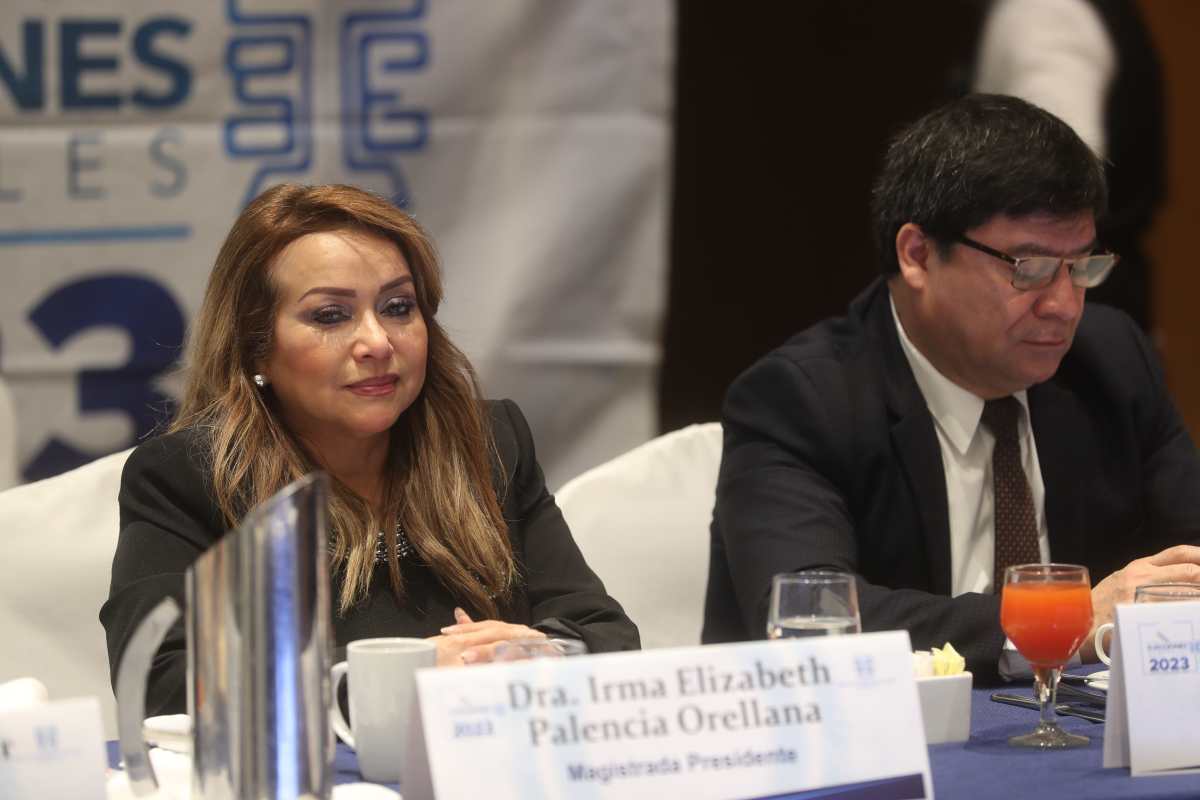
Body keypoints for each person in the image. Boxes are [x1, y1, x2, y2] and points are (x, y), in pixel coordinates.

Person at [702, 94, 1200, 682]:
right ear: (917, 255)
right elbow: (811, 620)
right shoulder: (800, 400)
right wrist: (1064, 618)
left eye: (1082, 266)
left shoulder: (1111, 361)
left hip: (1075, 726)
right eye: (1030, 269)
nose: (1064, 305)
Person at [101, 183, 639, 716]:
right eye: (330, 315)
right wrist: (400, 676)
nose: (378, 343)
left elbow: (604, 633)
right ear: (256, 345)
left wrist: (543, 654)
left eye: (398, 307)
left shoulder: (490, 443)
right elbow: (158, 679)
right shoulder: (188, 479)